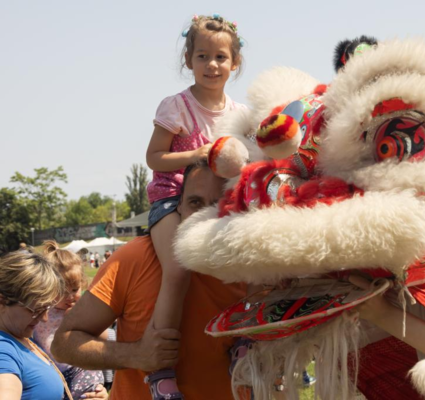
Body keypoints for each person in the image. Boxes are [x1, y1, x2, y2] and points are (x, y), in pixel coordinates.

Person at [51, 162, 247, 400]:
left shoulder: (254, 270)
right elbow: (63, 343)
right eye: (195, 203)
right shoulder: (134, 258)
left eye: (219, 203)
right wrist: (134, 354)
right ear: (179, 207)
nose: (207, 215)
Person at [143, 14, 246, 399]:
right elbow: (154, 158)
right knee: (177, 269)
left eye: (220, 57)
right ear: (189, 60)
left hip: (219, 203)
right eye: (202, 56)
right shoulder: (176, 107)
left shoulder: (239, 114)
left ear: (234, 64)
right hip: (171, 198)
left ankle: (243, 340)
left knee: (254, 256)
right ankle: (161, 369)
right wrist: (196, 155)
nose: (212, 65)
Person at [0, 251, 108, 399]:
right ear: (2, 302)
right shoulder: (3, 351)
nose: (44, 318)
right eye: (36, 310)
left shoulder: (20, 335)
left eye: (47, 308)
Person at [33, 241, 108, 400]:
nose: (70, 297)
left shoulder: (82, 309)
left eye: (74, 290)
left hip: (80, 367)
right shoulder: (41, 311)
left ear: (82, 283)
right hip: (52, 371)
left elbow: (103, 337)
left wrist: (85, 320)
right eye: (62, 292)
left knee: (90, 392)